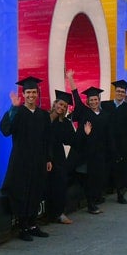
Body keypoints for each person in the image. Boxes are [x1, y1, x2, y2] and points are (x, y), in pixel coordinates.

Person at [0, 77, 52, 241]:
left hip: (38, 160)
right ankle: (22, 227)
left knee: (36, 191)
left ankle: (33, 224)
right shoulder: (18, 112)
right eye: (28, 92)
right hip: (20, 160)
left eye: (33, 92)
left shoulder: (43, 115)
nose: (31, 95)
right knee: (22, 191)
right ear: (23, 94)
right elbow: (6, 130)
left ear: (37, 94)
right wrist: (13, 108)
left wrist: (48, 158)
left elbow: (48, 139)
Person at [67, 70, 109, 215]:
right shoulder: (85, 112)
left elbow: (106, 136)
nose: (93, 102)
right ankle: (89, 204)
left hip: (97, 153)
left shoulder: (105, 116)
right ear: (88, 101)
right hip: (83, 153)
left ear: (99, 100)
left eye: (95, 99)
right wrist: (70, 79)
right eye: (91, 100)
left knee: (94, 179)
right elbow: (76, 97)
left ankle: (92, 201)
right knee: (83, 177)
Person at [47, 90, 90, 225]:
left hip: (57, 156)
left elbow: (73, 140)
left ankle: (59, 213)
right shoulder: (43, 117)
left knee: (60, 185)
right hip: (42, 155)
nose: (61, 108)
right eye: (60, 104)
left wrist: (84, 133)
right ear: (54, 104)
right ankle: (45, 215)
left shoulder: (65, 123)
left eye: (64, 106)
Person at [100, 79, 127, 203]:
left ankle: (120, 195)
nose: (120, 93)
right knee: (105, 168)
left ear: (126, 94)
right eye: (118, 91)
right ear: (114, 92)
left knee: (121, 170)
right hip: (107, 142)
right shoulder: (106, 105)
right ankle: (102, 194)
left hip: (122, 145)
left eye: (122, 91)